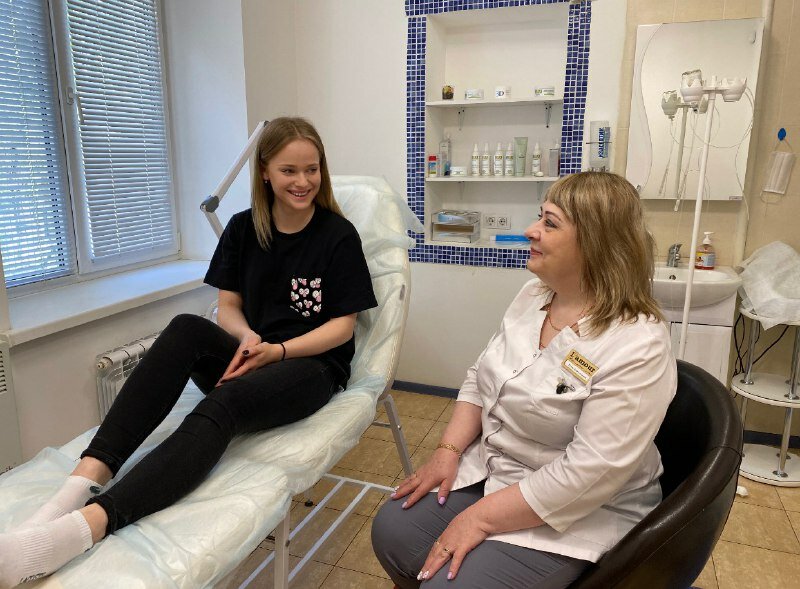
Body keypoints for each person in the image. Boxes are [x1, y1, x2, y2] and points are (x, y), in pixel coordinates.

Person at [0, 117, 377, 588]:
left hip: (309, 367)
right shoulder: (243, 229)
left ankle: (84, 528)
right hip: (255, 351)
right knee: (184, 328)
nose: (303, 181)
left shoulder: (337, 235)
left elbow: (342, 327)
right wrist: (247, 339)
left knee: (224, 401)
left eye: (312, 169)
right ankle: (77, 486)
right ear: (264, 172)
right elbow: (228, 307)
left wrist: (278, 351)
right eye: (289, 170)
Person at [372, 171, 677, 589]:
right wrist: (447, 451)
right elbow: (480, 376)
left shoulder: (638, 342)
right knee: (393, 530)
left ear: (596, 243)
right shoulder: (533, 296)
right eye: (539, 217)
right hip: (498, 469)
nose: (531, 231)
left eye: (550, 223)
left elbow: (589, 473)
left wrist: (478, 518)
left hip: (581, 509)